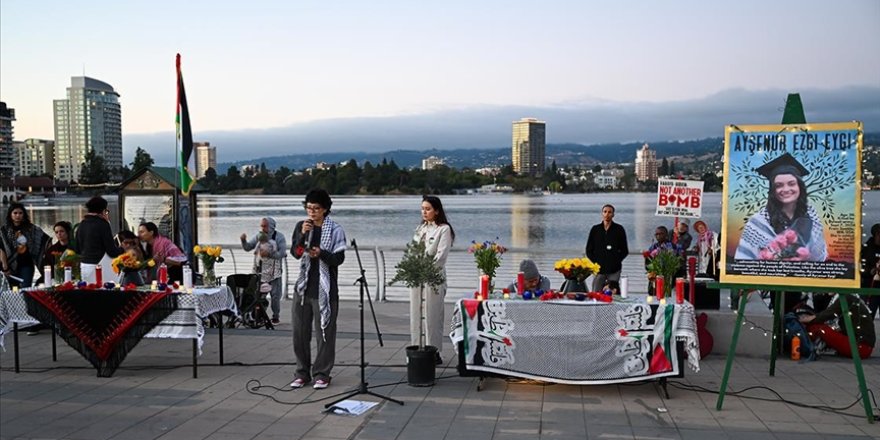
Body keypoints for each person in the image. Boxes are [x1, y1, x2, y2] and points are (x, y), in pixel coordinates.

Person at [289, 189, 346, 390]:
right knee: (300, 332)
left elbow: (338, 259)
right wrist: (302, 235)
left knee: (325, 334)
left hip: (325, 289)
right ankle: (301, 372)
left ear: (325, 209)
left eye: (316, 208)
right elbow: (295, 253)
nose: (312, 212)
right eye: (309, 208)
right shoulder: (301, 226)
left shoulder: (336, 230)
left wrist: (321, 253)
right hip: (303, 288)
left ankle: (322, 373)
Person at [735, 153, 827, 262]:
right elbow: (744, 260)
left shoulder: (811, 216)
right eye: (779, 185)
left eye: (791, 183)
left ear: (800, 187)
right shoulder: (759, 222)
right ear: (773, 190)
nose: (786, 189)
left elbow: (820, 257)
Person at [409, 195, 455, 365]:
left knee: (432, 315)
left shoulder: (444, 229)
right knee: (416, 314)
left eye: (428, 209)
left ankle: (434, 350)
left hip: (433, 278)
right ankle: (417, 348)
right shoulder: (420, 228)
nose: (424, 212)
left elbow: (440, 257)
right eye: (422, 209)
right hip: (417, 277)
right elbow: (413, 251)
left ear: (436, 211)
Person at [241, 217, 287, 324]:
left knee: (275, 296)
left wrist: (270, 254)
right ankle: (258, 315)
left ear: (271, 226)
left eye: (264, 226)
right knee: (258, 294)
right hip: (259, 271)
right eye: (261, 226)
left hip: (274, 271)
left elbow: (282, 253)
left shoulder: (279, 237)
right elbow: (248, 247)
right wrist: (243, 241)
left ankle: (275, 316)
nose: (262, 228)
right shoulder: (258, 236)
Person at [799, 294, 875, 359]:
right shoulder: (850, 297)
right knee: (822, 328)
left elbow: (828, 315)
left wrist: (808, 319)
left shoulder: (846, 298)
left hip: (860, 348)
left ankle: (804, 346)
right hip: (862, 347)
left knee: (818, 328)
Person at [1, 203, 49, 288]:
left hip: (26, 265)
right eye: (15, 213)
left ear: (24, 214)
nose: (18, 215)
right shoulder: (4, 231)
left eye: (20, 213)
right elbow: (2, 249)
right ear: (10, 214)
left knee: (25, 289)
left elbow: (46, 240)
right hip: (9, 265)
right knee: (11, 291)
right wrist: (5, 267)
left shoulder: (31, 229)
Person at [75, 197, 122, 283]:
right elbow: (111, 251)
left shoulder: (82, 224)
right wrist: (123, 249)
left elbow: (78, 249)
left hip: (84, 265)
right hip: (99, 266)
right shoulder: (103, 224)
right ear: (103, 210)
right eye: (106, 211)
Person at [585, 204, 629, 292]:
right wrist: (596, 263)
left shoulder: (619, 229)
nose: (607, 214)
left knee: (613, 294)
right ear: (602, 214)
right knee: (596, 293)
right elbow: (589, 250)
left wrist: (616, 260)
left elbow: (624, 250)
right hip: (599, 269)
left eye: (609, 212)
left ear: (613, 215)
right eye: (605, 212)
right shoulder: (595, 229)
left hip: (614, 269)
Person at [859, 223, 880, 319]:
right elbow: (860, 267)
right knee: (867, 315)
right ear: (875, 235)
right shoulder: (866, 249)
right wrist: (870, 271)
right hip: (869, 288)